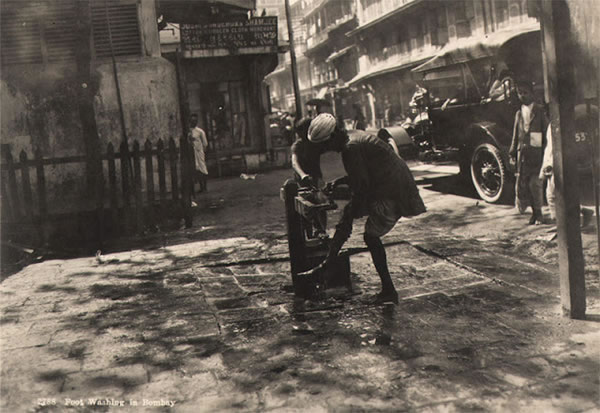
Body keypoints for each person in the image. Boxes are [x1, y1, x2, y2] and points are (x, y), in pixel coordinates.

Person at [301, 113, 426, 304]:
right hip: (387, 184)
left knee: (370, 236)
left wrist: (351, 210)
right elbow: (362, 174)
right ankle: (327, 265)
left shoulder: (351, 148)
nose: (327, 150)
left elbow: (362, 187)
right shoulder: (352, 139)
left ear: (333, 136)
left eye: (325, 145)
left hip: (394, 189)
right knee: (348, 216)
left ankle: (388, 291)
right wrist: (340, 183)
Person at [509, 80, 548, 225]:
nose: (522, 96)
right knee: (524, 184)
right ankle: (533, 213)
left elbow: (546, 131)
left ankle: (539, 213)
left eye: (525, 92)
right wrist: (512, 152)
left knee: (535, 184)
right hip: (523, 154)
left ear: (532, 93)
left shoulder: (539, 110)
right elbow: (515, 135)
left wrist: (546, 150)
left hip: (536, 154)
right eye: (519, 93)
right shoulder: (519, 113)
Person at [188, 114, 209, 198]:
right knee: (196, 169)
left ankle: (204, 187)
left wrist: (202, 151)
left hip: (199, 152)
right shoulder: (188, 132)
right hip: (192, 153)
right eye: (192, 121)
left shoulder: (200, 131)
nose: (194, 122)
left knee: (202, 168)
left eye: (195, 121)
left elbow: (205, 143)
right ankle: (200, 186)